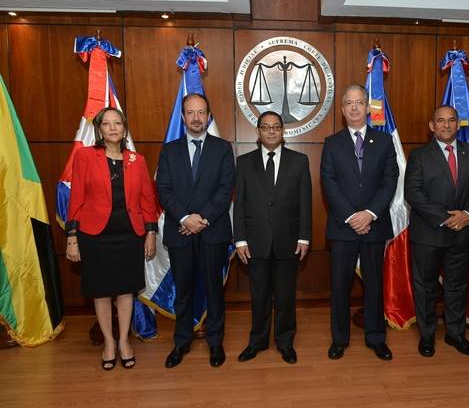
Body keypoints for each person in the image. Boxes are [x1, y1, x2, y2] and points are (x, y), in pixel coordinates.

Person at [66, 107, 158, 370]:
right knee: (102, 291)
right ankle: (108, 342)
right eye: (107, 124)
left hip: (130, 235)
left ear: (124, 128)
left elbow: (146, 200)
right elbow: (77, 199)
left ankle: (124, 342)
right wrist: (72, 236)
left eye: (118, 123)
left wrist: (150, 232)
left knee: (126, 290)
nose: (113, 127)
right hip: (94, 235)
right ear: (100, 130)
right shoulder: (85, 157)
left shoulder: (136, 160)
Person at [404, 105, 469, 358]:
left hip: (463, 232)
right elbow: (413, 192)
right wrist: (445, 218)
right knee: (426, 287)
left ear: (459, 124)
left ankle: (456, 334)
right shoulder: (419, 155)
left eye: (451, 120)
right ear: (431, 126)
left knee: (457, 286)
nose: (446, 125)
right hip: (429, 234)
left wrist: (467, 216)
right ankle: (427, 336)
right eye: (440, 121)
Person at [320, 84, 398, 361]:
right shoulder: (331, 143)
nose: (354, 107)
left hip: (375, 225)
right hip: (343, 226)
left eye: (359, 102)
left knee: (374, 285)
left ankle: (376, 338)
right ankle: (339, 339)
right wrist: (353, 217)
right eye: (349, 103)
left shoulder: (385, 142)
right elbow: (328, 183)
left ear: (368, 108)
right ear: (342, 110)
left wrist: (370, 214)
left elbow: (390, 181)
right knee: (339, 286)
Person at [156, 93, 235, 368]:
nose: (196, 118)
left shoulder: (223, 148)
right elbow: (163, 190)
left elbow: (226, 191)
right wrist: (186, 218)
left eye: (201, 112)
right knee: (184, 291)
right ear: (183, 117)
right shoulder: (169, 150)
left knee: (214, 290)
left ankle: (216, 343)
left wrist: (202, 219)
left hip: (212, 232)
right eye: (191, 112)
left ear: (208, 116)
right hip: (180, 232)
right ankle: (181, 342)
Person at [234, 111, 312, 364]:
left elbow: (305, 202)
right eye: (265, 127)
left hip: (288, 242)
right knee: (259, 297)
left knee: (286, 296)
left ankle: (285, 342)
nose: (271, 131)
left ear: (283, 131)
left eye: (276, 127)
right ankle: (257, 341)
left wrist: (304, 237)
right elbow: (240, 205)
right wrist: (240, 240)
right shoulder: (244, 163)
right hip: (255, 243)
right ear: (258, 132)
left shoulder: (299, 161)